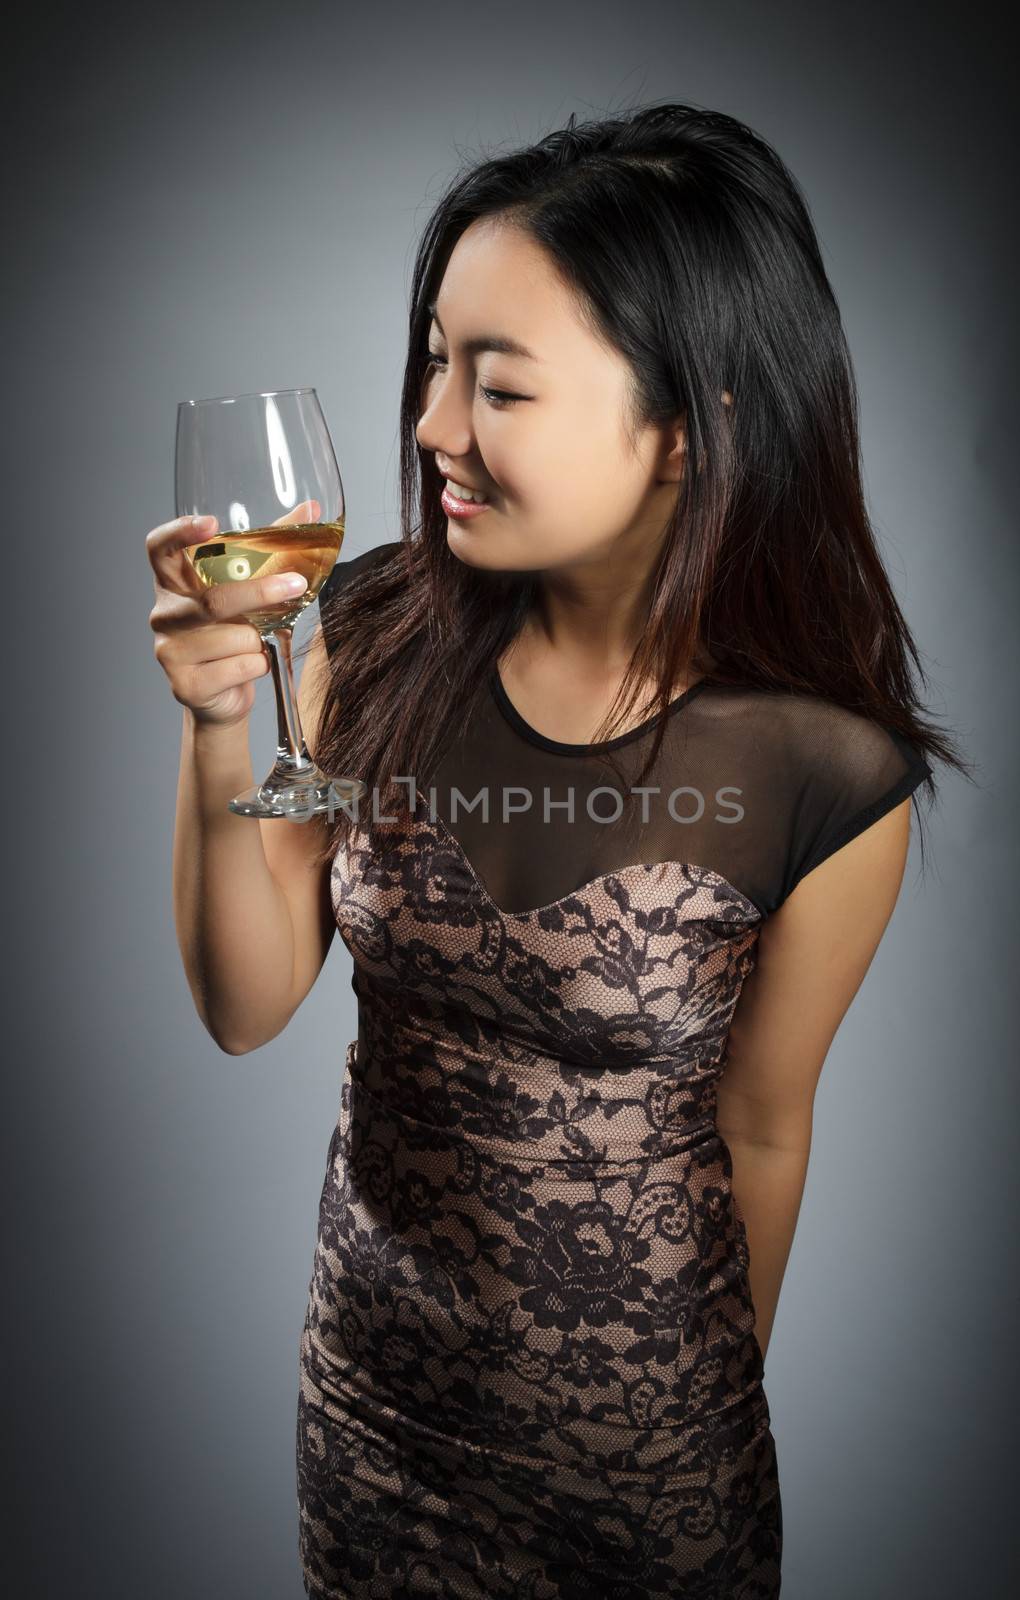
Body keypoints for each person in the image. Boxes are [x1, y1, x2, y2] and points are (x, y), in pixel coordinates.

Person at [150, 103, 965, 1598]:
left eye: (497, 386)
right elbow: (247, 1002)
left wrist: (692, 1422)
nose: (429, 426)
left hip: (647, 1480)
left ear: (684, 426)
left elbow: (765, 1128)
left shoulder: (825, 774)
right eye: (436, 363)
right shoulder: (371, 630)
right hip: (374, 1425)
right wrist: (218, 729)